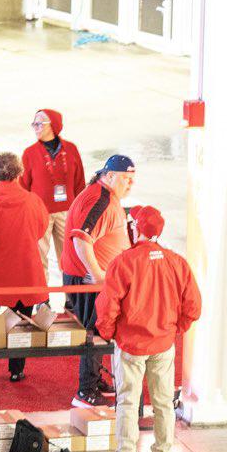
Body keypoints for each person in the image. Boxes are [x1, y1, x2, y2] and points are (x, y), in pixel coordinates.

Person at [96, 205, 202, 452]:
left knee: (128, 404)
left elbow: (107, 306)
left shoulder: (124, 262)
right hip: (163, 345)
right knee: (164, 404)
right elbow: (193, 306)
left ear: (136, 228)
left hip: (131, 345)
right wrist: (174, 329)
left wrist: (108, 333)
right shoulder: (177, 262)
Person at [61, 154, 135, 406]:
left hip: (85, 277)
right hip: (87, 280)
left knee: (97, 329)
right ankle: (86, 390)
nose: (130, 184)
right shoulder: (101, 199)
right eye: (126, 178)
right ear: (109, 175)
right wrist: (98, 275)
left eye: (132, 179)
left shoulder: (102, 194)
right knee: (93, 331)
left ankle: (93, 379)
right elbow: (81, 238)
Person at [0, 152, 50, 380]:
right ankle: (16, 370)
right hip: (26, 271)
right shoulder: (34, 201)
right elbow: (41, 230)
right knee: (22, 320)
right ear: (20, 173)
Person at [19, 110, 86, 275]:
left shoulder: (71, 149)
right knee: (39, 257)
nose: (35, 127)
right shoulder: (29, 153)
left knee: (70, 256)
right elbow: (23, 185)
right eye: (34, 123)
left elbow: (79, 182)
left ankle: (71, 299)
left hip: (67, 212)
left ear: (53, 125)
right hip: (40, 213)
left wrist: (78, 210)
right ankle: (42, 299)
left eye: (40, 123)